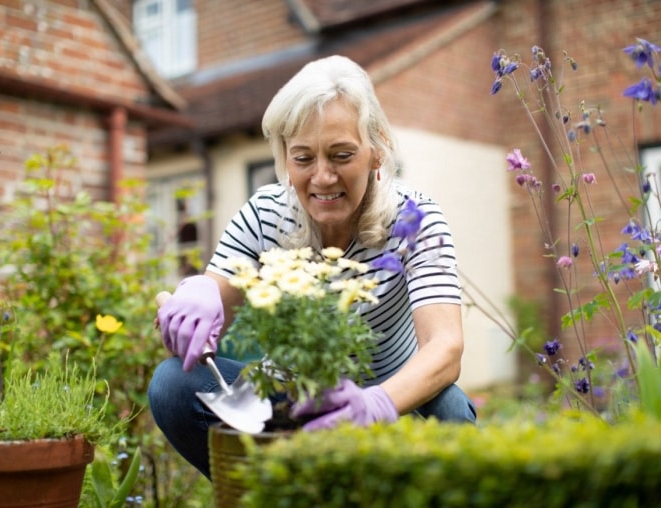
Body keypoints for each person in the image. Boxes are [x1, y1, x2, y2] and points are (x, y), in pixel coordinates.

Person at [149, 55, 477, 480]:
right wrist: (198, 296)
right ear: (284, 158)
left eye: (341, 155)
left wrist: (375, 404)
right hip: (290, 404)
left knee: (449, 410)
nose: (322, 178)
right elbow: (214, 313)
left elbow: (445, 347)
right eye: (303, 159)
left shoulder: (415, 219)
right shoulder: (265, 214)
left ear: (376, 151)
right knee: (174, 384)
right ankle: (271, 497)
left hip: (391, 404)